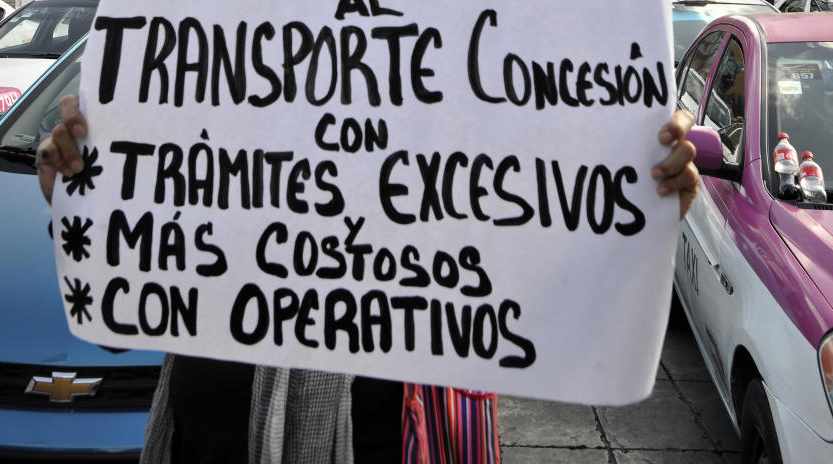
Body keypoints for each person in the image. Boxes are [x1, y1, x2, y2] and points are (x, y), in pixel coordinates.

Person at [37, 101, 699, 464]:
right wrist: (78, 201)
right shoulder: (204, 143)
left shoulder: (451, 167)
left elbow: (564, 312)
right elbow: (117, 327)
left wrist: (636, 213)